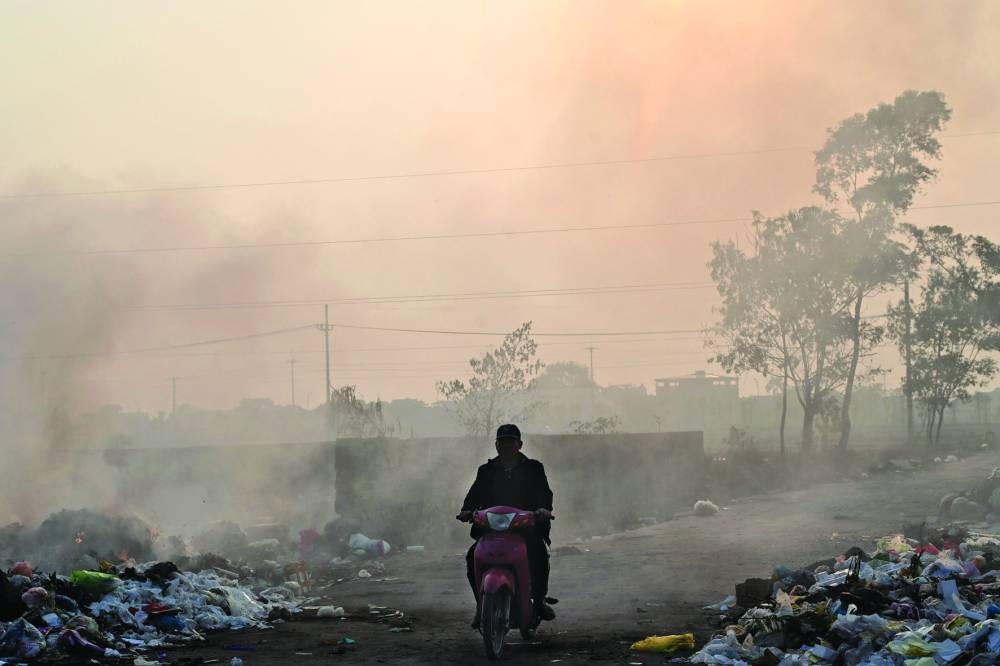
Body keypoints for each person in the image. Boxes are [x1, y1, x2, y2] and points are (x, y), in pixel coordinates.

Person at [457, 423, 555, 628]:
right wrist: (467, 510)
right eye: (502, 442)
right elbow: (473, 495)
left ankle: (539, 602)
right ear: (496, 445)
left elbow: (544, 493)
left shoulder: (533, 468)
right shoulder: (486, 470)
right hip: (491, 528)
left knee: (538, 554)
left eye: (511, 441)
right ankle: (480, 605)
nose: (506, 446)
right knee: (472, 556)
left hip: (525, 527)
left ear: (519, 444)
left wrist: (543, 510)